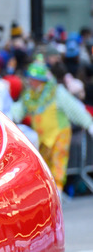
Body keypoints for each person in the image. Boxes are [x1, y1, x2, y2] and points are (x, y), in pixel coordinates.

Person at [12, 55, 93, 190]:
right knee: (45, 171)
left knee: (58, 167)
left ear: (41, 80)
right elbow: (17, 110)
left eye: (34, 79)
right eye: (30, 79)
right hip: (42, 138)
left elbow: (73, 108)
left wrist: (89, 124)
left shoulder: (56, 91)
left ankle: (58, 196)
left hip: (59, 133)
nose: (31, 82)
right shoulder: (28, 96)